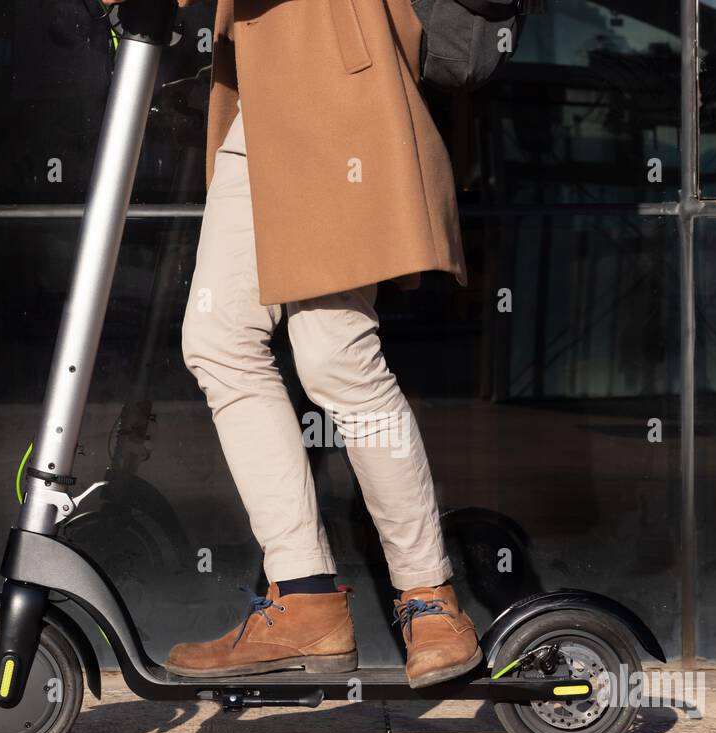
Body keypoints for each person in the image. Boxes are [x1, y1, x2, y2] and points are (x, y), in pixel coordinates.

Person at [107, 0, 480, 687]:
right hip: (265, 95)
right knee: (219, 339)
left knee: (335, 353)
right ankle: (304, 597)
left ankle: (430, 599)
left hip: (333, 77)